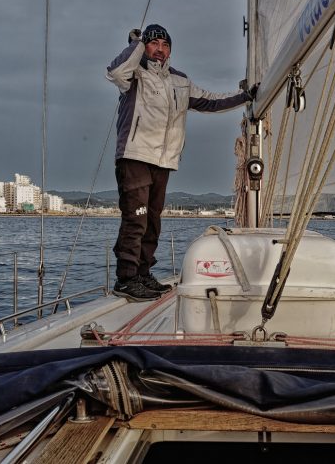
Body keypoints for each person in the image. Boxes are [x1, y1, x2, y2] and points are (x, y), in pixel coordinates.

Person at [105, 24, 256, 301]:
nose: (159, 49)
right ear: (145, 47)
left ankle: (142, 274)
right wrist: (136, 44)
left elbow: (211, 101)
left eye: (165, 44)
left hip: (163, 161)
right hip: (135, 156)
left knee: (152, 222)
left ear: (170, 50)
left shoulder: (180, 81)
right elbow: (114, 71)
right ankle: (126, 279)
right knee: (135, 219)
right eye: (154, 43)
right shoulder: (134, 75)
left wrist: (246, 96)